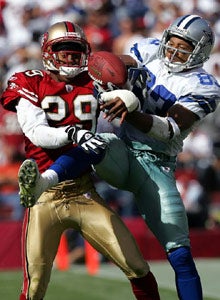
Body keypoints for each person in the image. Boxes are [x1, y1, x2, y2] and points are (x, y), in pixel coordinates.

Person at [16, 15, 220, 300]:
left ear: (199, 51)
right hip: (121, 151)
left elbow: (170, 128)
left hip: (155, 165)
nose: (173, 51)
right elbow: (107, 64)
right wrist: (113, 80)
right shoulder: (149, 49)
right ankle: (43, 182)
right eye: (171, 43)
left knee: (180, 253)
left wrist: (132, 109)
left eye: (183, 48)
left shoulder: (204, 85)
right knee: (98, 142)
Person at [0, 21, 161, 300]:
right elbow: (37, 133)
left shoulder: (95, 79)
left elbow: (130, 95)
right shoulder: (29, 80)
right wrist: (74, 132)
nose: (72, 57)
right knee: (34, 286)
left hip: (83, 190)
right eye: (65, 52)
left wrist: (128, 98)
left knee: (137, 267)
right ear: (49, 53)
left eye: (76, 51)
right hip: (42, 195)